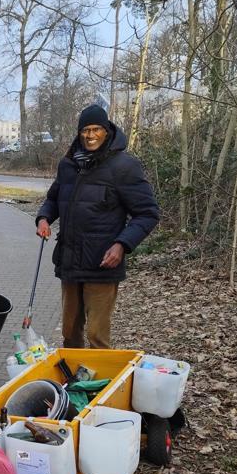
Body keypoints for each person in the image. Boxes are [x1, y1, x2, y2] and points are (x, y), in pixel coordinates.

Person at [36, 104, 159, 349]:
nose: (90, 135)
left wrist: (121, 245)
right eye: (85, 130)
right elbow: (53, 199)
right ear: (79, 132)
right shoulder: (68, 165)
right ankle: (72, 384)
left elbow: (148, 213)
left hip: (102, 264)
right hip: (70, 262)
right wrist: (43, 218)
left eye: (96, 129)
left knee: (97, 336)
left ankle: (97, 386)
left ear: (106, 131)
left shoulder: (124, 166)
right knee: (70, 333)